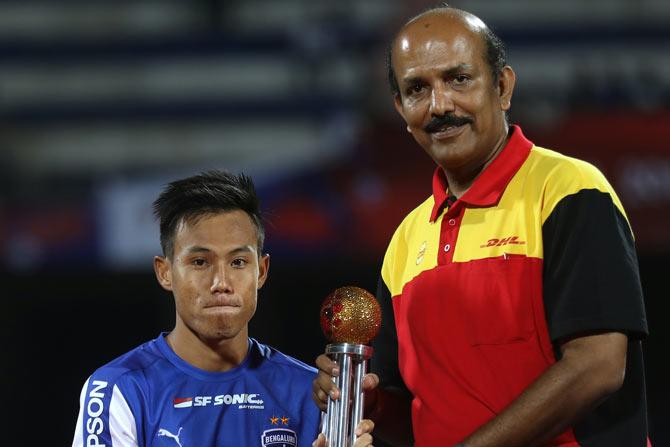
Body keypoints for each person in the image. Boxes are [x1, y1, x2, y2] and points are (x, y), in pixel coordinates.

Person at [313, 6, 650, 447]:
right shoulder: (405, 241)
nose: (440, 106)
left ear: (503, 86)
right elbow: (414, 410)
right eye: (417, 89)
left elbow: (598, 366)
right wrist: (366, 404)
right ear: (400, 108)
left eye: (459, 79)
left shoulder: (570, 191)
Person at [72, 170, 373, 447]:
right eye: (200, 262)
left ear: (262, 271)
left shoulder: (312, 393)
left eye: (238, 262)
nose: (221, 282)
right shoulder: (118, 389)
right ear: (165, 272)